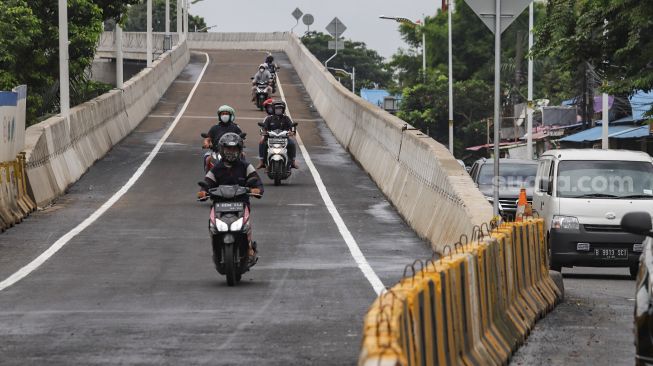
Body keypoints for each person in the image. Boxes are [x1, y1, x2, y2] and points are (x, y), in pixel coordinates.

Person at [197, 133, 264, 260]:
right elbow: (207, 182)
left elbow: (257, 182)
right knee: (213, 226)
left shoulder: (246, 166)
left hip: (241, 203)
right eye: (228, 148)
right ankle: (215, 246)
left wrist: (257, 190)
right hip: (219, 205)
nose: (231, 151)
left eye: (234, 149)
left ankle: (249, 247)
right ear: (222, 149)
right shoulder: (216, 168)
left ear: (239, 150)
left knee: (246, 226)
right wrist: (203, 191)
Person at [256, 101, 299, 170]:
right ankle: (261, 162)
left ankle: (293, 162)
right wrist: (263, 134)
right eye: (277, 109)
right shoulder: (268, 118)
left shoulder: (286, 118)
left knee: (292, 144)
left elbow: (291, 126)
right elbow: (263, 127)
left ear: (283, 109)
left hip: (284, 138)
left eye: (280, 109)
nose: (278, 110)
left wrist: (292, 132)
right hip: (270, 138)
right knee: (262, 143)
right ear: (273, 109)